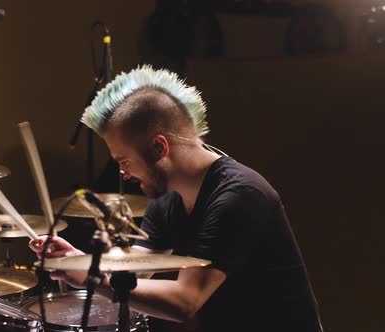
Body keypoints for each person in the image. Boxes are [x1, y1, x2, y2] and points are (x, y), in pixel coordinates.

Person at [30, 65, 322, 332]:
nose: (123, 173)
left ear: (159, 147)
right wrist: (79, 260)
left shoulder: (238, 196)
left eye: (124, 161)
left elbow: (185, 301)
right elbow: (134, 264)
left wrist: (93, 279)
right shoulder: (169, 199)